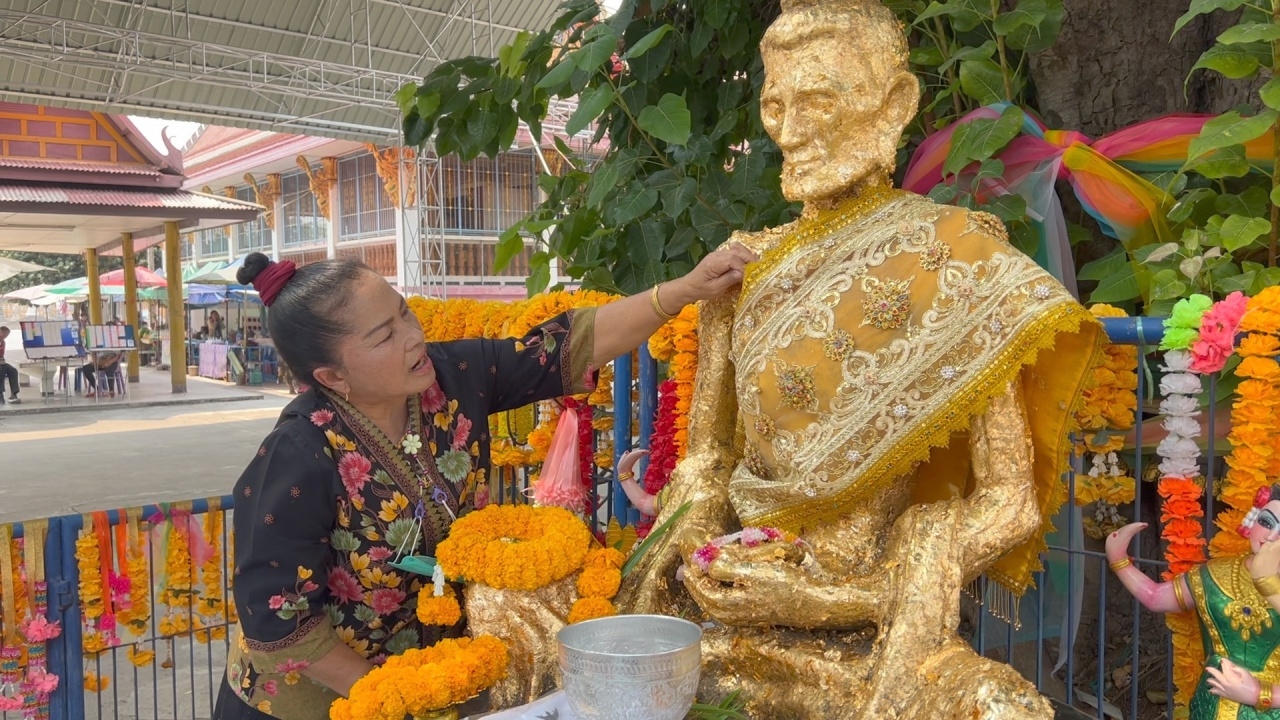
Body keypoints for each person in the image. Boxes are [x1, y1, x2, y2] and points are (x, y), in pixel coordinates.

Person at [615, 1, 1104, 717]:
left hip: (881, 629)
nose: (792, 130)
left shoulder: (957, 256)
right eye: (776, 104)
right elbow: (708, 459)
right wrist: (696, 543)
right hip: (731, 621)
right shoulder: (744, 271)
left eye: (819, 100)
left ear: (894, 104)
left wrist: (823, 599)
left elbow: (1010, 505)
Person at [213, 247, 753, 720]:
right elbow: (275, 616)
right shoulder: (300, 451)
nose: (413, 337)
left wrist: (685, 289)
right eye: (384, 336)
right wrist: (392, 697)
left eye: (404, 313)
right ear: (332, 377)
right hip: (323, 701)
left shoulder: (451, 377)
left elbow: (570, 347)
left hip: (437, 682)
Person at [1107, 488, 1280, 719]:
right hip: (1210, 703)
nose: (1271, 536)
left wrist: (1258, 694)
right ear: (1253, 518)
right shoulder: (1217, 573)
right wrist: (1119, 561)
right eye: (1267, 522)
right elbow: (1156, 597)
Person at [0, 327, 20, 405]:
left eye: (6, 335)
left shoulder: (3, 342)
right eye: (3, 335)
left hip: (2, 362)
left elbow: (2, 355)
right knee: (1, 371)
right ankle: (0, 394)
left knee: (13, 371)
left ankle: (14, 393)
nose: (4, 337)